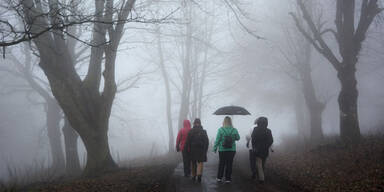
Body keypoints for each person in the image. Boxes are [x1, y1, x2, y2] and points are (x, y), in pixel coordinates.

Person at [213, 116, 240, 183]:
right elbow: (238, 138)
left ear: (224, 122)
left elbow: (217, 140)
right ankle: (228, 179)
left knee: (222, 163)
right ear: (231, 122)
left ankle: (219, 177)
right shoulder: (234, 130)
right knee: (229, 164)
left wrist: (215, 148)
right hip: (232, 150)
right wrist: (232, 137)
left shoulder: (221, 130)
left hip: (222, 150)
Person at [184, 118, 209, 183]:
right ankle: (199, 175)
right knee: (200, 163)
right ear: (200, 123)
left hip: (193, 150)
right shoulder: (204, 131)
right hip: (201, 150)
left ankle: (194, 176)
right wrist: (205, 150)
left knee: (193, 163)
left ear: (194, 123)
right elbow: (206, 141)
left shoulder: (191, 131)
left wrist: (187, 150)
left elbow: (187, 142)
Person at [250, 117, 273, 184]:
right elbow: (271, 140)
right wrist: (266, 146)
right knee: (262, 163)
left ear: (258, 122)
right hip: (265, 150)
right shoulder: (268, 131)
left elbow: (253, 139)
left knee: (259, 163)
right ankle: (261, 176)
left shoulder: (255, 129)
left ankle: (261, 179)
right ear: (266, 123)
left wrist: (254, 146)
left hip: (257, 149)